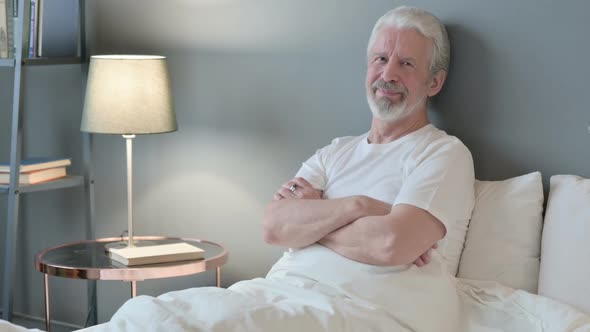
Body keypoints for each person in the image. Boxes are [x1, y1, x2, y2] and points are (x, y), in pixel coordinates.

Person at [263, 6, 475, 277]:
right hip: (281, 292)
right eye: (381, 59)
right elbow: (274, 226)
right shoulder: (333, 152)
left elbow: (390, 244)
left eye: (406, 63)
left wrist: (312, 225)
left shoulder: (444, 154)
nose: (388, 75)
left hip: (365, 310)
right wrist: (360, 206)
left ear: (434, 82)